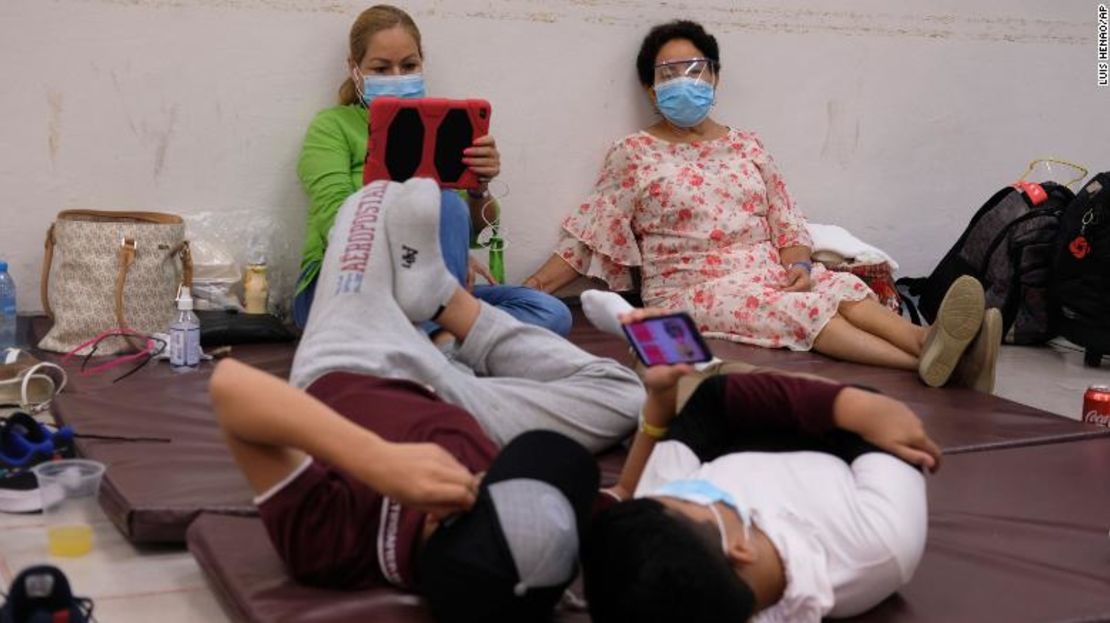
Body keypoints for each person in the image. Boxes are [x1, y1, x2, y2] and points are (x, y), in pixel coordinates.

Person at [212, 178, 643, 620]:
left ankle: (439, 326)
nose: (480, 476)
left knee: (378, 197)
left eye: (484, 486)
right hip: (463, 403)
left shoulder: (330, 546)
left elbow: (231, 388)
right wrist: (664, 396)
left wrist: (381, 461)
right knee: (625, 393)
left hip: (356, 358)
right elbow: (623, 493)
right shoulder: (539, 542)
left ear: (446, 514)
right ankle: (443, 301)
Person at [524, 19, 1002, 391]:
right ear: (650, 88)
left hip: (765, 269)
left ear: (715, 76)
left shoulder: (747, 145)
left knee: (838, 288)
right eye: (669, 74)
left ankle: (929, 341)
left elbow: (786, 220)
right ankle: (938, 364)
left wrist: (799, 266)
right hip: (692, 288)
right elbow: (592, 234)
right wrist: (534, 288)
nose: (684, 81)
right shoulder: (633, 153)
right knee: (803, 311)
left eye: (696, 69)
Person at [582, 307, 943, 622]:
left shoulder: (664, 523)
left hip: (727, 427)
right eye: (691, 497)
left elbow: (709, 405)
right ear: (739, 549)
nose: (680, 487)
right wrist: (845, 406)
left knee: (694, 381)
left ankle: (651, 356)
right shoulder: (877, 545)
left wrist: (661, 395)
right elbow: (880, 420)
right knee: (721, 380)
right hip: (794, 435)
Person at [294, 4, 571, 337]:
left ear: (422, 63)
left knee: (550, 311)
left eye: (409, 65)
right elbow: (336, 221)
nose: (397, 77)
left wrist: (478, 187)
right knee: (443, 203)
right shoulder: (332, 127)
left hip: (430, 289)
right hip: (345, 281)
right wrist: (429, 256)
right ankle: (446, 338)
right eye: (381, 69)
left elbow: (473, 234)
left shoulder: (443, 128)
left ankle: (436, 338)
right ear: (355, 69)